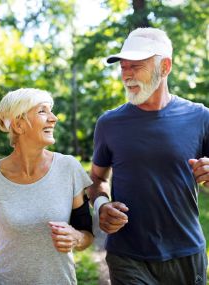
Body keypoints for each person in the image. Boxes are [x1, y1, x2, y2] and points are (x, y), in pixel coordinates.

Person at [88, 27, 209, 285]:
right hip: (127, 256)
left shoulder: (200, 117)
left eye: (136, 66)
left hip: (185, 253)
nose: (126, 75)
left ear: (165, 67)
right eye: (123, 67)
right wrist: (101, 206)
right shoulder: (108, 123)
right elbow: (96, 179)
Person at [0, 88, 94, 285]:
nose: (53, 118)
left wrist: (76, 237)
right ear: (19, 125)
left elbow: (87, 233)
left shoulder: (68, 168)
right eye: (42, 111)